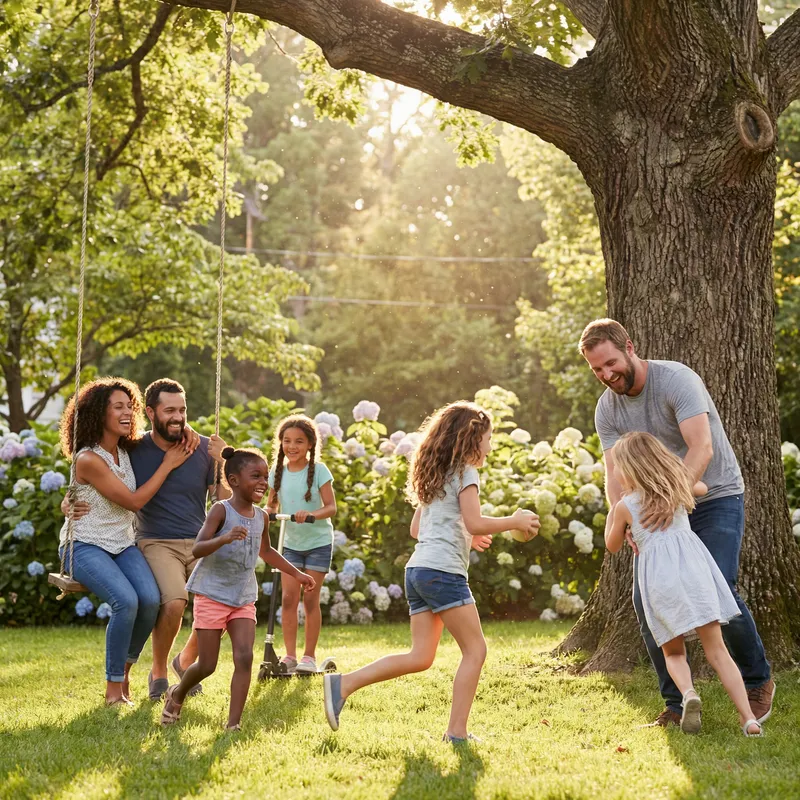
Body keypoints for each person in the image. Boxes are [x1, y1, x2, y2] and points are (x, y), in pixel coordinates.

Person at [580, 318, 774, 727]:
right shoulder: (607, 409)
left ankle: (757, 679)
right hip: (655, 511)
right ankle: (676, 703)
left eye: (611, 363)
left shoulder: (675, 380)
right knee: (646, 600)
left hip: (712, 494)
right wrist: (629, 521)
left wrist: (671, 501)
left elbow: (701, 447)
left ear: (629, 347)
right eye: (597, 369)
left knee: (719, 584)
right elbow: (613, 471)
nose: (607, 374)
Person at [322, 401, 540, 742]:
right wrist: (512, 520)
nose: (490, 445)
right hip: (442, 572)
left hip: (418, 570)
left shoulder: (436, 474)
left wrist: (470, 533)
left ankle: (343, 684)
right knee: (476, 650)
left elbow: (417, 529)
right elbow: (473, 520)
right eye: (488, 437)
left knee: (420, 656)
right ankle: (456, 733)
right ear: (472, 439)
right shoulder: (467, 472)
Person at [64, 378, 230, 700]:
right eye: (170, 410)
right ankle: (135, 679)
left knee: (207, 599)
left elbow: (222, 499)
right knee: (150, 601)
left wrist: (220, 460)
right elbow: (117, 492)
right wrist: (68, 502)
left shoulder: (134, 449)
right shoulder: (124, 450)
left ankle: (178, 662)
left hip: (143, 542)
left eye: (182, 410)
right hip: (121, 542)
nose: (179, 417)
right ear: (152, 413)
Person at [605, 432, 762, 736]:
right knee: (718, 651)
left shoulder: (625, 506)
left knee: (674, 653)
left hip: (660, 581)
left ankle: (689, 694)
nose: (616, 473)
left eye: (618, 467)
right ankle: (748, 719)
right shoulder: (677, 489)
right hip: (695, 573)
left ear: (630, 468)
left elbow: (612, 546)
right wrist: (677, 479)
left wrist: (616, 519)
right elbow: (701, 486)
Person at [160, 447, 315, 730]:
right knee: (207, 665)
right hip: (212, 595)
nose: (262, 482)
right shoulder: (221, 510)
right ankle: (177, 693)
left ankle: (233, 724)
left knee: (244, 657)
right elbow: (198, 547)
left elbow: (266, 551)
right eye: (255, 475)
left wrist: (297, 573)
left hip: (242, 596)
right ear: (233, 480)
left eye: (265, 477)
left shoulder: (262, 517)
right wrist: (225, 538)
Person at [266, 414, 336, 676]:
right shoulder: (277, 472)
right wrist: (268, 512)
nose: (292, 446)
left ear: (309, 444)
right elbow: (272, 503)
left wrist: (311, 514)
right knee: (288, 598)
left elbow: (331, 507)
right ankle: (290, 656)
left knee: (310, 599)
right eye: (286, 441)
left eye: (298, 441)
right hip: (291, 544)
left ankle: (309, 656)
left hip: (317, 542)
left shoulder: (319, 471)